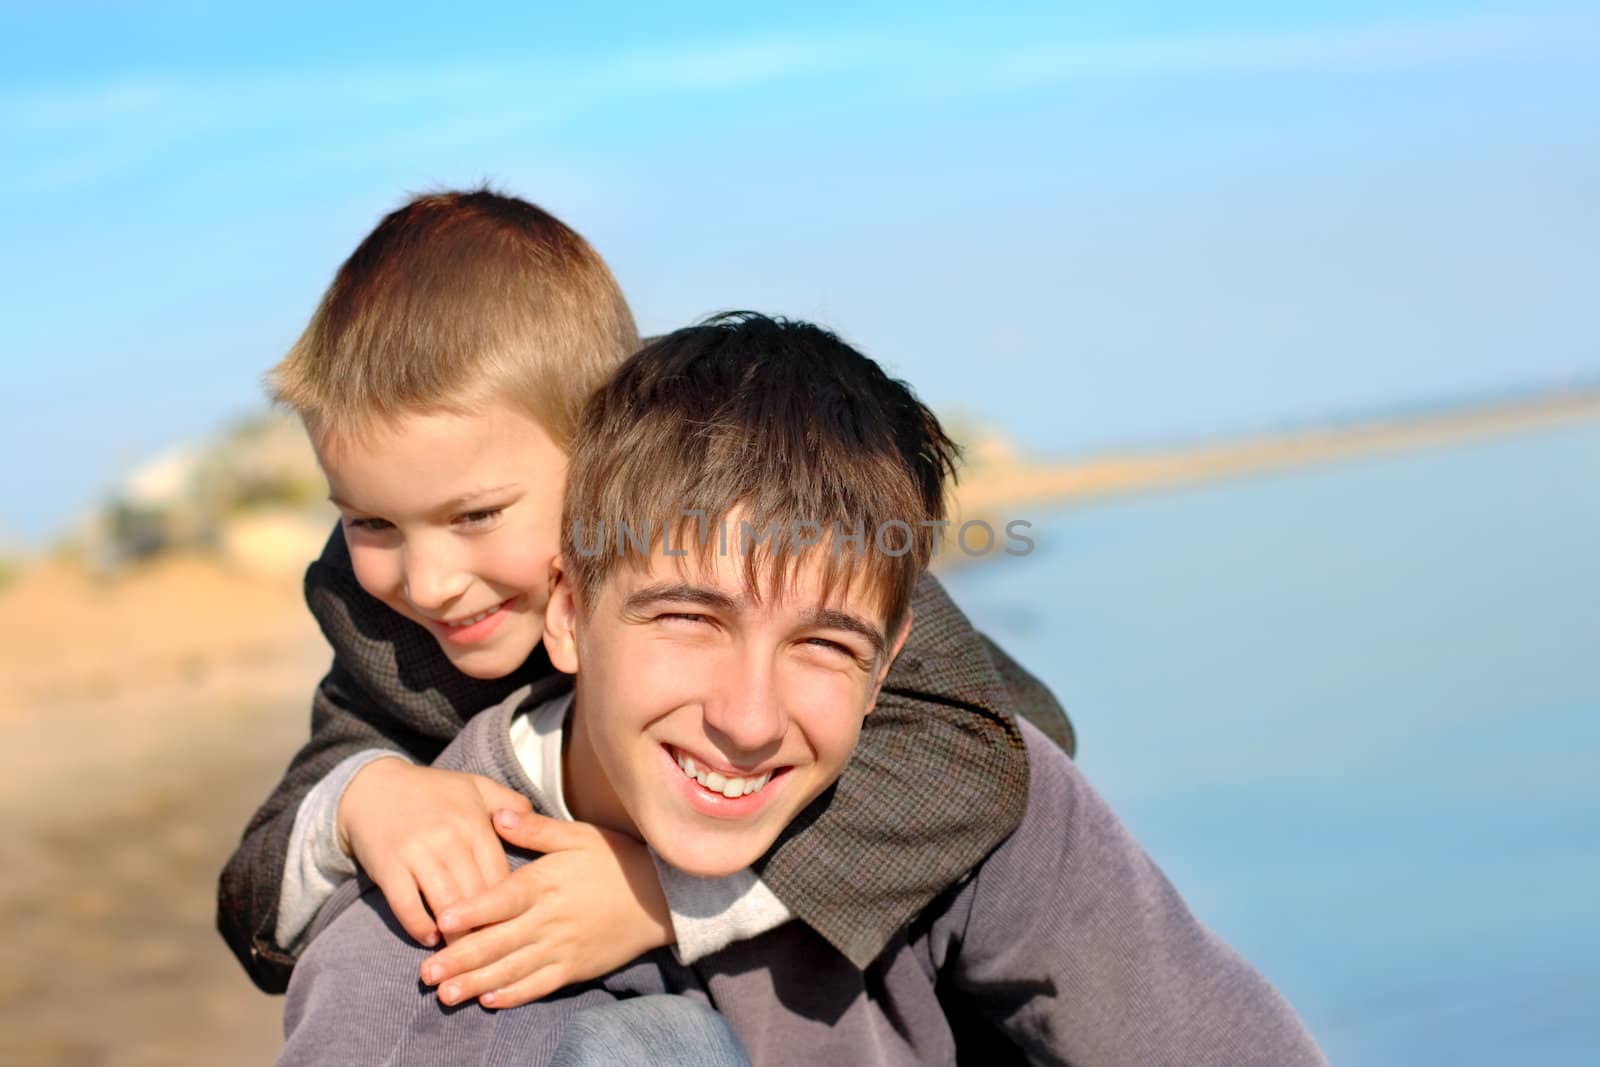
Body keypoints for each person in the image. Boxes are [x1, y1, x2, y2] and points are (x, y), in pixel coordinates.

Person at [279, 314, 1324, 1065]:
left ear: (888, 661)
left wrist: (661, 899)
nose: (747, 717)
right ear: (566, 609)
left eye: (825, 643)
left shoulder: (965, 797)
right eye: (688, 618)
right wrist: (357, 800)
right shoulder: (432, 935)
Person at [218, 189, 1076, 1010]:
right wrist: (361, 798)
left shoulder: (753, 510)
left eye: (477, 515)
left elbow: (984, 751)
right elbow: (251, 902)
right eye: (370, 521)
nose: (430, 580)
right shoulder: (382, 621)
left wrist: (659, 898)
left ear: (606, 442)